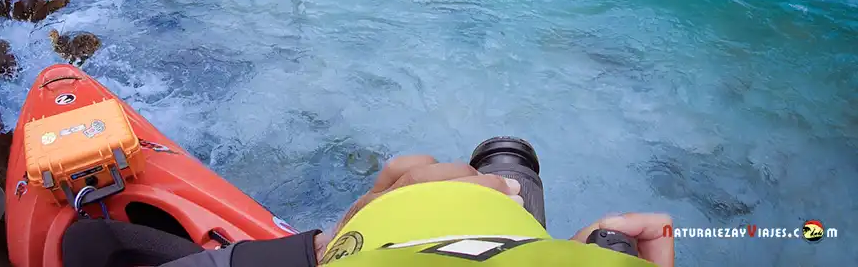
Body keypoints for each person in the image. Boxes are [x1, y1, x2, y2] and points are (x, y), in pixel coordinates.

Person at [62, 155, 674, 267]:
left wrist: (338, 236)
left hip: (340, 251)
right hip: (348, 248)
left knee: (87, 246)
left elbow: (365, 205)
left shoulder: (437, 173)